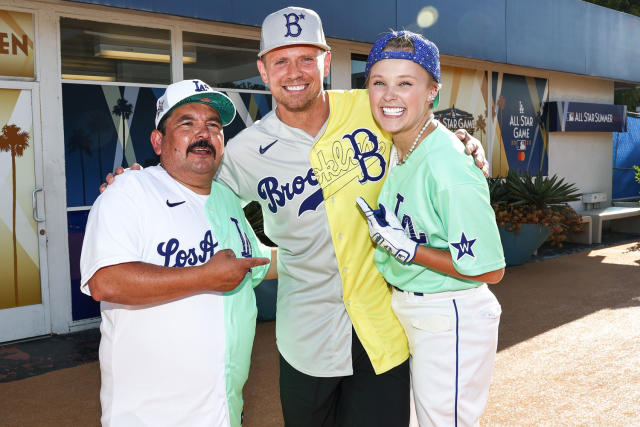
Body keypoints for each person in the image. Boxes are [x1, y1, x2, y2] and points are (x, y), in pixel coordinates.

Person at [102, 7, 489, 426]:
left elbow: (421, 127)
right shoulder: (246, 150)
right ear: (263, 70)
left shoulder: (373, 107)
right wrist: (140, 179)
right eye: (281, 60)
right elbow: (188, 177)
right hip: (307, 335)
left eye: (306, 58)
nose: (295, 71)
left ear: (325, 60)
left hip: (384, 327)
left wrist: (464, 142)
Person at [80, 79, 274, 427]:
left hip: (222, 409)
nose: (203, 134)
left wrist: (332, 254)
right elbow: (104, 281)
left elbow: (255, 264)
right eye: (187, 123)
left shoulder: (228, 201)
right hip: (152, 416)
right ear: (158, 141)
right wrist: (205, 276)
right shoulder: (130, 192)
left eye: (212, 125)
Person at [355, 31, 505, 427]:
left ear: (432, 93)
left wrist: (410, 250)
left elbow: (491, 270)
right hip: (416, 307)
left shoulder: (449, 165)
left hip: (450, 311)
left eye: (406, 83)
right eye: (379, 82)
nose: (390, 95)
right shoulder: (400, 144)